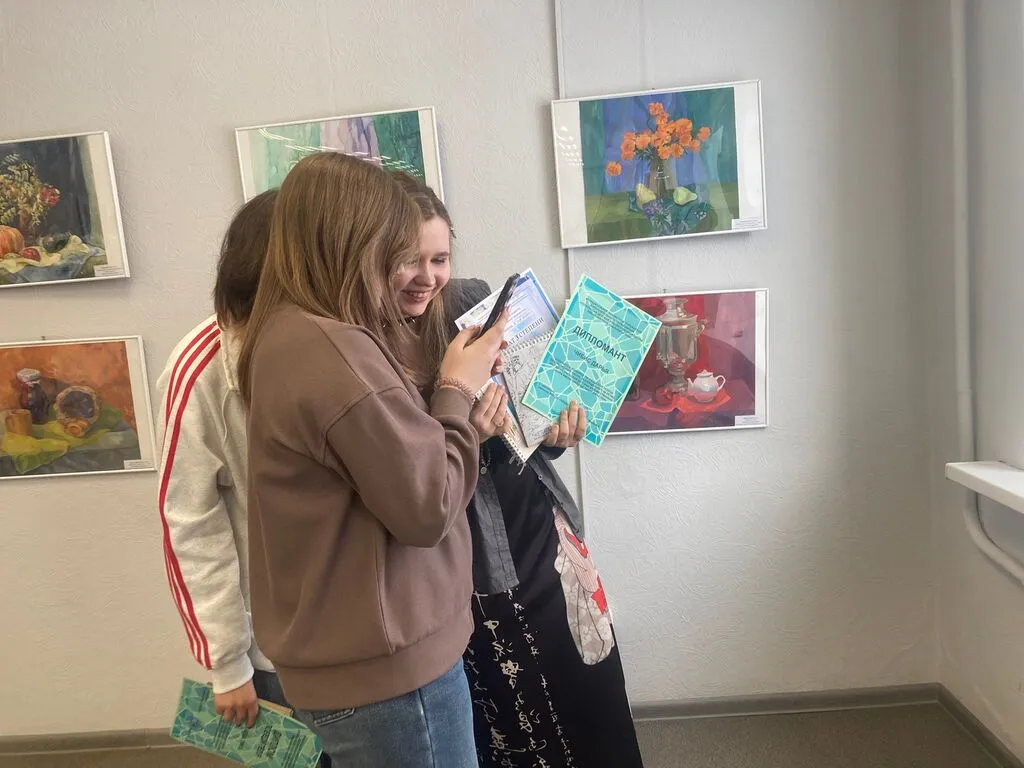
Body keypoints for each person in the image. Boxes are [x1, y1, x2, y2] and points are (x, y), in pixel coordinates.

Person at [238, 151, 505, 768]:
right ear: (352, 241)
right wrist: (457, 389)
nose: (410, 271)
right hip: (387, 671)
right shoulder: (333, 350)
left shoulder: (287, 331)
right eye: (394, 249)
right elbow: (426, 507)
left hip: (356, 651)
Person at [391, 172, 646, 768]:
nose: (427, 276)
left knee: (595, 696)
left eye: (439, 258)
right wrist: (465, 427)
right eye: (408, 260)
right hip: (465, 559)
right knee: (514, 721)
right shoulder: (365, 346)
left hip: (541, 532)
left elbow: (525, 424)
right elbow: (403, 478)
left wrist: (555, 433)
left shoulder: (474, 303)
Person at [156, 190, 298, 726]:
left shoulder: (347, 341)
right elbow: (190, 522)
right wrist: (228, 664)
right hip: (276, 646)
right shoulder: (201, 368)